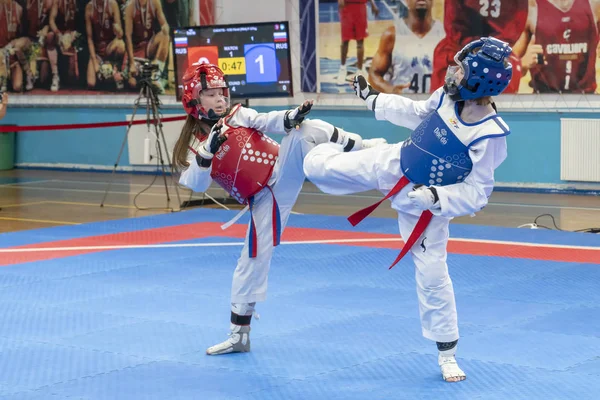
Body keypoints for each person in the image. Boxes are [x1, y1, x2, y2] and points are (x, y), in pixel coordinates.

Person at [303, 37, 513, 382]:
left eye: (460, 68)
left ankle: (447, 353)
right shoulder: (446, 97)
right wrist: (373, 98)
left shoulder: (489, 134)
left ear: (479, 78)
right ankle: (348, 141)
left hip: (425, 205)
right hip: (393, 162)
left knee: (432, 275)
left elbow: (478, 193)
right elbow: (416, 114)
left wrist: (435, 198)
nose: (452, 71)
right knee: (318, 170)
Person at [171, 63, 386, 356]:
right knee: (251, 261)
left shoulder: (237, 115)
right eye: (210, 94)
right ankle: (239, 336)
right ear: (194, 99)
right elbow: (196, 185)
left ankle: (368, 149)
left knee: (306, 129)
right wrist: (207, 152)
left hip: (281, 171)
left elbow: (266, 120)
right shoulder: (193, 146)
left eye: (222, 92)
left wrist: (290, 117)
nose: (221, 99)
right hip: (263, 200)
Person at [430, 0, 528, 94]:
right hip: (459, 49)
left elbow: (517, 22)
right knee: (444, 103)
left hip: (495, 54)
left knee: (499, 105)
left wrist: (490, 49)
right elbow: (454, 18)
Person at [512, 0, 600, 93]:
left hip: (585, 99)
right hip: (544, 99)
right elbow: (507, 70)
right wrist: (522, 64)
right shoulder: (531, 7)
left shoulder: (594, 4)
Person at [368, 0, 444, 94]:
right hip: (403, 106)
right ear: (406, 2)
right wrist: (390, 90)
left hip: (435, 106)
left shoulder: (446, 35)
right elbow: (374, 74)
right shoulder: (392, 35)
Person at [123, 0, 170, 92]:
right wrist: (131, 63)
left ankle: (155, 76)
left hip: (148, 46)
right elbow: (128, 37)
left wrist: (165, 27)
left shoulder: (155, 2)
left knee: (165, 36)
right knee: (132, 84)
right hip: (135, 50)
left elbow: (164, 24)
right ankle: (144, 78)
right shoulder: (130, 6)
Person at [85, 0, 126, 90]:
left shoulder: (112, 4)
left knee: (120, 45)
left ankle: (115, 69)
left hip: (109, 48)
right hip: (97, 51)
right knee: (91, 83)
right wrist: (94, 61)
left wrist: (118, 30)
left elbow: (120, 35)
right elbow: (90, 38)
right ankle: (108, 75)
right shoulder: (89, 7)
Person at [336, 0, 379, 85]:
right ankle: (342, 69)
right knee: (345, 41)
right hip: (347, 7)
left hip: (360, 7)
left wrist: (373, 3)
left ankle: (359, 71)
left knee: (360, 42)